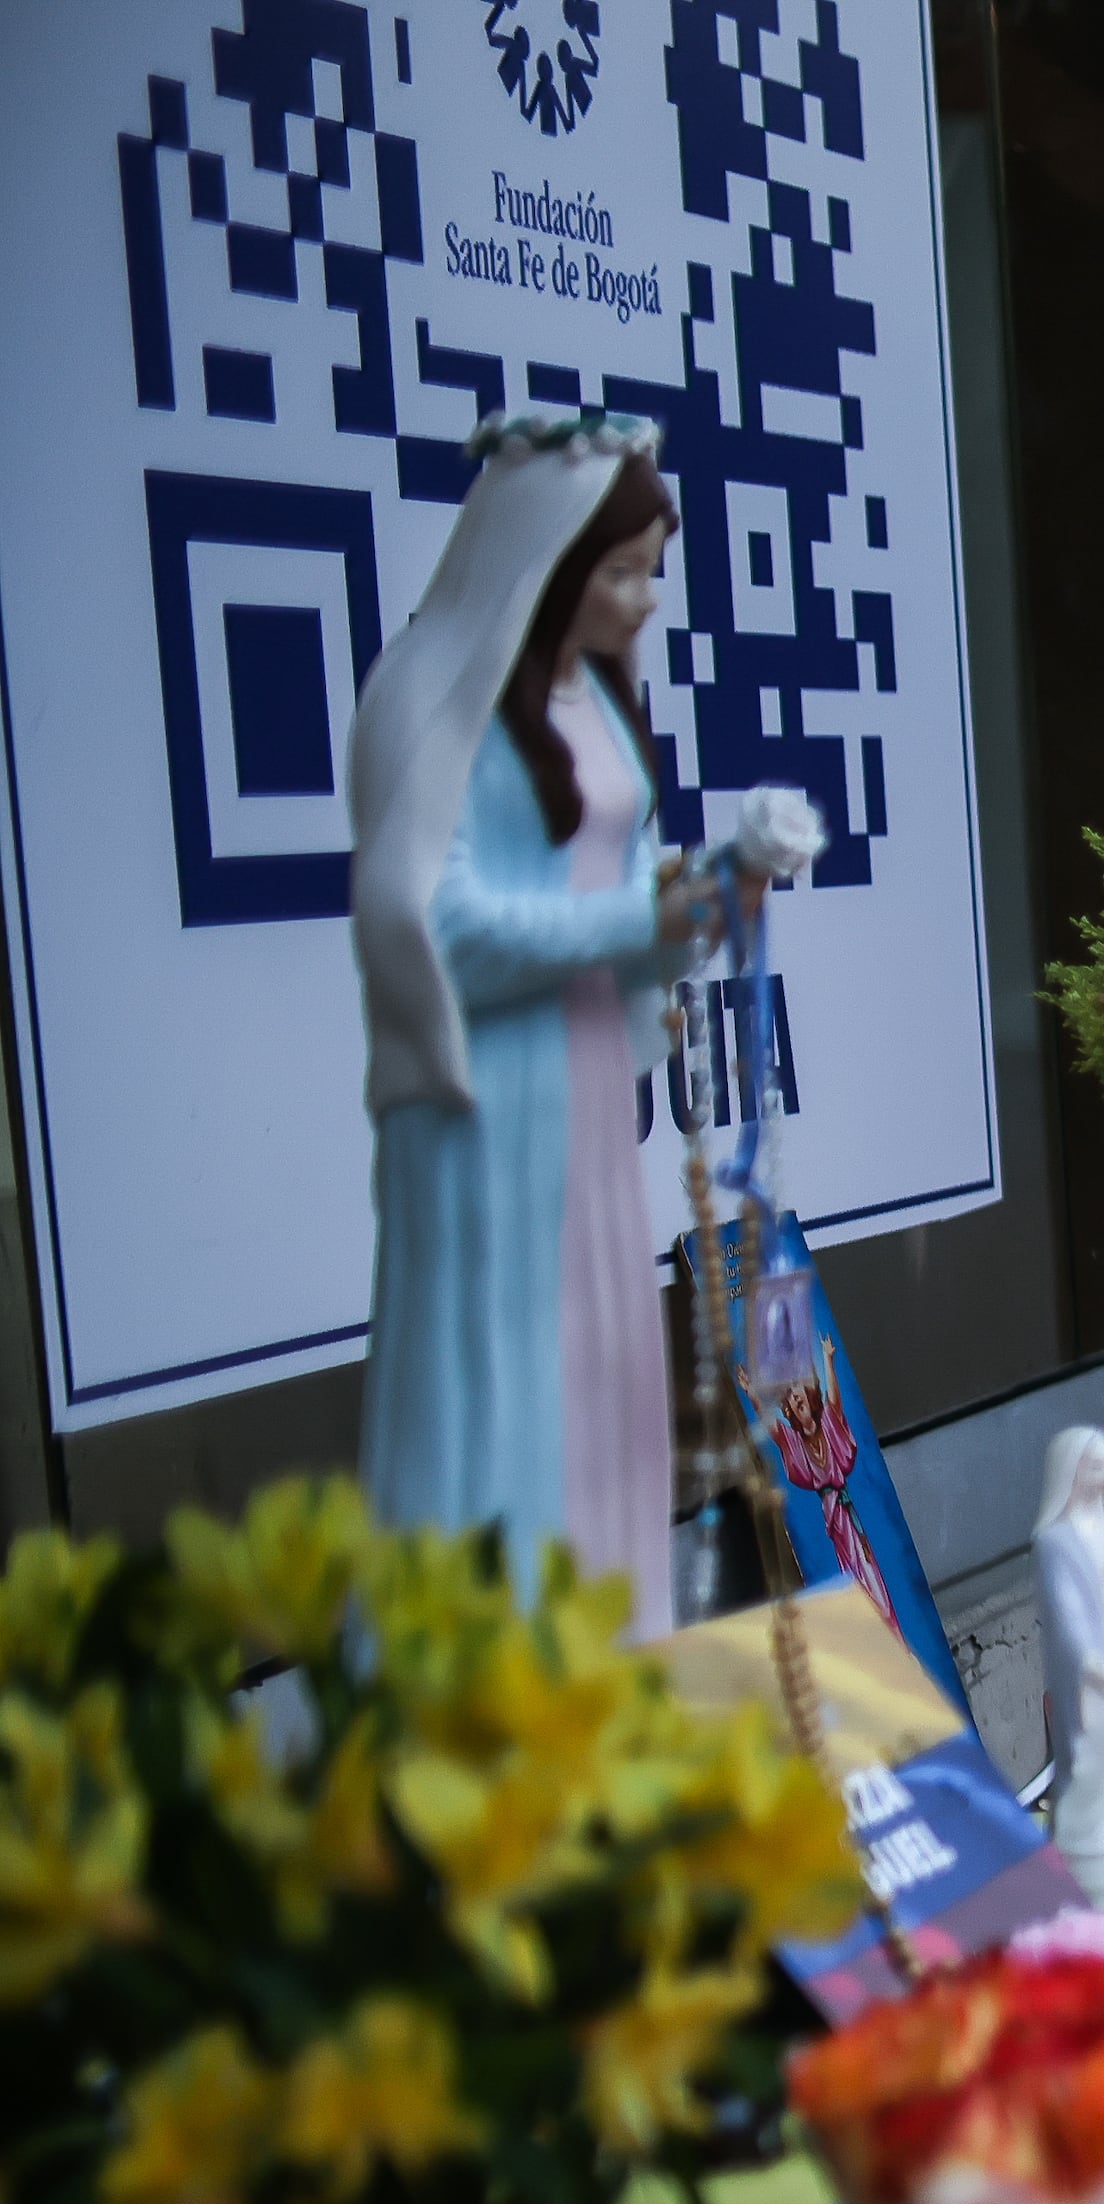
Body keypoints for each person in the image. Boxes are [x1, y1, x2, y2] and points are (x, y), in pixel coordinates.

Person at [347, 409, 737, 1639]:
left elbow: (628, 903)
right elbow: (438, 925)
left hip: (579, 1088)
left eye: (653, 574)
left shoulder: (600, 707)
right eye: (621, 572)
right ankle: (480, 1686)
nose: (644, 600)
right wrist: (632, 928)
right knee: (498, 1384)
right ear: (547, 557)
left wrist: (699, 910)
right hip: (483, 1095)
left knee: (602, 1375)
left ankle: (604, 1655)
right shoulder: (431, 690)